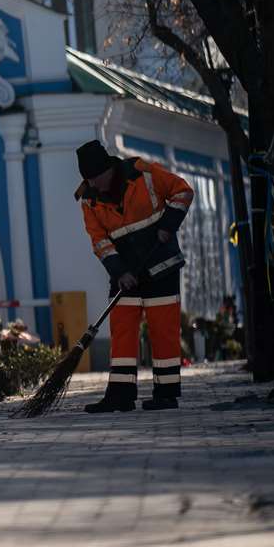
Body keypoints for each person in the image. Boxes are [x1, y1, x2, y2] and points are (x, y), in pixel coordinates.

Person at [76, 140, 195, 412]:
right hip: (126, 273)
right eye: (89, 180)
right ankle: (120, 395)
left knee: (162, 330)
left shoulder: (144, 174)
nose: (94, 185)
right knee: (122, 330)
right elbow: (100, 242)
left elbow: (183, 191)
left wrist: (168, 225)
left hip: (161, 266)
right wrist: (120, 272)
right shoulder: (89, 200)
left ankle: (166, 394)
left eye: (96, 178)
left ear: (108, 169)